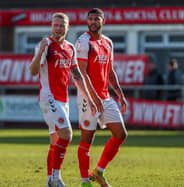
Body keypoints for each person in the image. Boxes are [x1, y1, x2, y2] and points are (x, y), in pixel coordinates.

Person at [29, 12, 102, 187]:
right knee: (67, 135)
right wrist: (40, 50)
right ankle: (56, 178)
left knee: (56, 141)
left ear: (67, 28)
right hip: (48, 97)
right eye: (55, 25)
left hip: (63, 100)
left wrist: (90, 99)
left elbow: (77, 76)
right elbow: (33, 71)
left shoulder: (70, 48)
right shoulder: (45, 45)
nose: (58, 28)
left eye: (62, 25)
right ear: (51, 26)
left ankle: (49, 180)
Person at [75, 8, 128, 187]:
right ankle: (84, 182)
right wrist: (92, 97)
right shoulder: (83, 42)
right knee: (87, 139)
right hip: (87, 98)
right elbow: (82, 73)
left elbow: (110, 71)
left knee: (121, 134)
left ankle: (98, 172)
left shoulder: (108, 43)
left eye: (96, 19)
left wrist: (120, 94)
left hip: (105, 97)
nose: (93, 22)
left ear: (103, 21)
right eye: (90, 19)